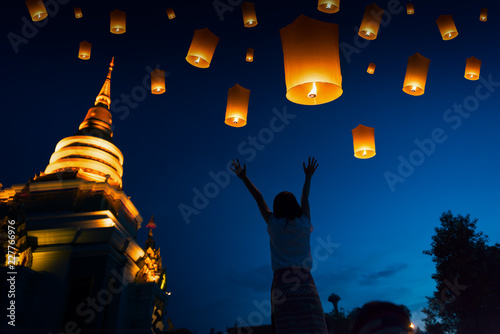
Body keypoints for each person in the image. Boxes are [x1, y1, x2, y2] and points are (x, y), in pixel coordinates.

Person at [231, 157, 328, 334]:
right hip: (305, 282)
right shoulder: (304, 223)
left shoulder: (273, 223)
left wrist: (244, 177)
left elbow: (258, 198)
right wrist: (308, 176)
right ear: (295, 206)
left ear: (277, 207)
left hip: (282, 285)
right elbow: (305, 196)